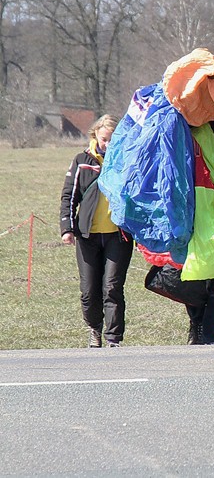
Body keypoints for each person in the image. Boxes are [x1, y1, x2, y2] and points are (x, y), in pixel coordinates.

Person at [60, 114, 134, 347]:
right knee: (89, 290)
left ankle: (113, 338)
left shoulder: (127, 160)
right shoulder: (81, 160)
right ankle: (94, 329)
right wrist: (67, 228)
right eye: (104, 139)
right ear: (95, 136)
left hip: (118, 236)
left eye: (113, 139)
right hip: (87, 236)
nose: (108, 144)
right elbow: (69, 196)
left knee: (112, 287)